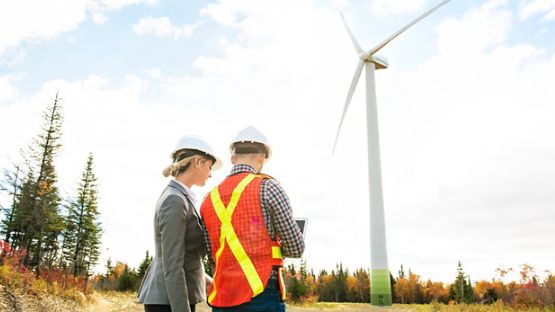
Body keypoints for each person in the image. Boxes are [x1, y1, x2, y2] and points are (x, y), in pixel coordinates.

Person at [200, 126, 305, 312]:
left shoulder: (208, 199)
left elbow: (213, 254)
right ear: (262, 158)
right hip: (262, 293)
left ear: (232, 158)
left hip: (223, 297)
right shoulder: (269, 187)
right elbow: (296, 248)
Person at [138, 135, 222, 312]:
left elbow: (185, 257)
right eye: (209, 166)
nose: (211, 173)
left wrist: (205, 280)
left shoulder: (180, 197)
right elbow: (173, 264)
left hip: (172, 299)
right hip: (168, 302)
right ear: (197, 162)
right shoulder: (174, 200)